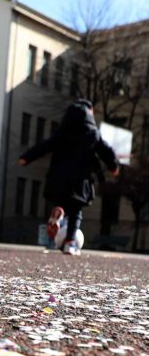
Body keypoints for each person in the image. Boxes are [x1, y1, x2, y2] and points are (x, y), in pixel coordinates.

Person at [18, 99, 119, 256]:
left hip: (58, 177)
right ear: (89, 113)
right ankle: (70, 243)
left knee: (61, 204)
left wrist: (26, 157)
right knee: (76, 212)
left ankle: (59, 216)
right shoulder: (93, 134)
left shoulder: (62, 132)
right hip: (79, 179)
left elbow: (45, 145)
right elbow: (106, 151)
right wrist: (114, 167)